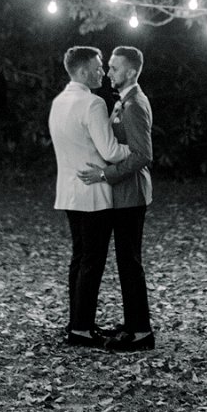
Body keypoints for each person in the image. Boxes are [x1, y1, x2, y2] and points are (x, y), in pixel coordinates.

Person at [48, 46, 131, 349]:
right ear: (83, 71)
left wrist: (109, 124)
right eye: (97, 67)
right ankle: (82, 329)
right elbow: (108, 151)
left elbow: (83, 141)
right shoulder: (93, 103)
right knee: (91, 262)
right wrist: (132, 151)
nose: (102, 72)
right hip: (94, 193)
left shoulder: (59, 102)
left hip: (69, 191)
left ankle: (77, 322)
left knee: (79, 259)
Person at [78, 46, 154, 352]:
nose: (109, 72)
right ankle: (134, 324)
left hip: (130, 195)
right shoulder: (125, 100)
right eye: (108, 66)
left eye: (115, 68)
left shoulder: (134, 104)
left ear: (132, 71)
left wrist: (104, 175)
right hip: (124, 195)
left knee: (130, 263)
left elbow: (143, 155)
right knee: (126, 262)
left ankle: (141, 334)